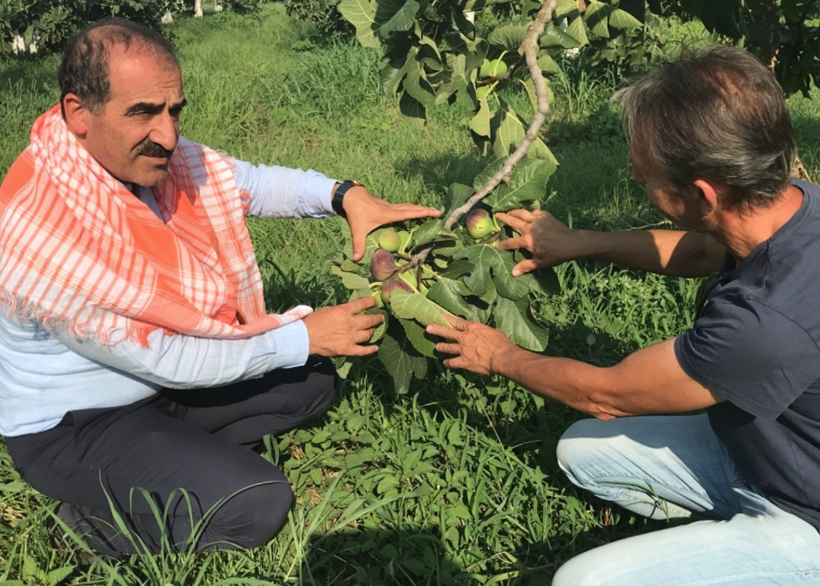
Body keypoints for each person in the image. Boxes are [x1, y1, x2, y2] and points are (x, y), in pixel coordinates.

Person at [0, 18, 440, 556]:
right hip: (76, 425)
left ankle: (172, 463)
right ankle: (91, 528)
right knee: (257, 502)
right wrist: (301, 336)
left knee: (313, 381)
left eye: (174, 110)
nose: (167, 134)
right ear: (78, 114)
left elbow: (248, 182)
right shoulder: (42, 227)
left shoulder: (143, 160)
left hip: (155, 388)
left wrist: (346, 195)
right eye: (143, 112)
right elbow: (168, 359)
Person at [428, 45, 820, 585]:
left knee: (582, 582)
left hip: (807, 514)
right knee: (581, 452)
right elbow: (704, 251)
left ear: (704, 193)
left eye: (645, 177)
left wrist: (498, 355)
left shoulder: (765, 323)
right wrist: (575, 242)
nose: (637, 179)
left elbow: (604, 395)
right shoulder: (791, 201)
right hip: (767, 445)